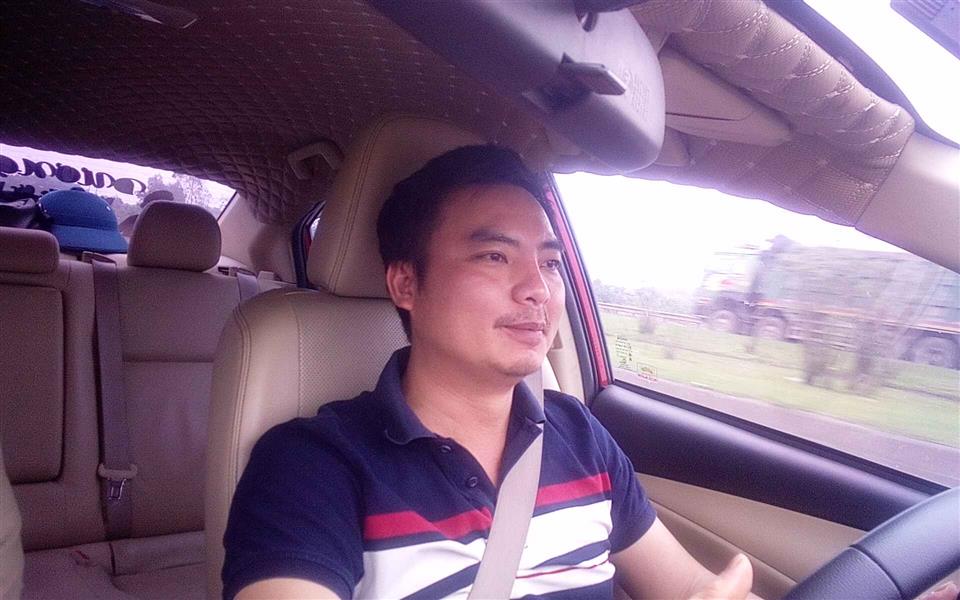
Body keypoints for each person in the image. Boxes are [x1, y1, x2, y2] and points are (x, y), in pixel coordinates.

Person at [220, 146, 955, 600]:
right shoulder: (313, 465)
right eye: (494, 256)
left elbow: (690, 590)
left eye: (549, 262)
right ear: (405, 283)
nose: (538, 290)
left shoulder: (578, 436)